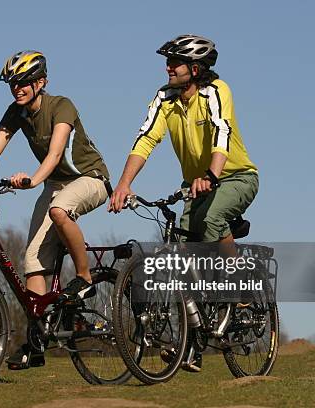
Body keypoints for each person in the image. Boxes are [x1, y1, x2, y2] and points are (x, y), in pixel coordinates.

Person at [0, 50, 111, 369]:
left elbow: (53, 154)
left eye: (23, 82)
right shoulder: (16, 112)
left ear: (41, 82)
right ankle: (36, 343)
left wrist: (34, 180)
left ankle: (84, 276)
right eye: (12, 83)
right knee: (33, 261)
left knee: (59, 210)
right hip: (54, 183)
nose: (17, 89)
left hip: (89, 178)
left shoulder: (61, 106)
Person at [108, 35, 259, 372]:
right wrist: (123, 184)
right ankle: (191, 345)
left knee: (212, 219)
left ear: (194, 68)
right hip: (196, 186)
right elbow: (146, 138)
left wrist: (211, 174)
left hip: (235, 177)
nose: (167, 68)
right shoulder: (165, 98)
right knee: (186, 258)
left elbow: (222, 131)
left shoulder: (217, 91)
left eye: (174, 62)